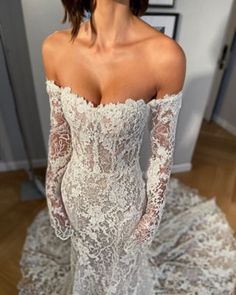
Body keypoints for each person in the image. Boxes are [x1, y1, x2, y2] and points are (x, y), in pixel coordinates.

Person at [41, 0, 186, 293]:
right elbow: (59, 134)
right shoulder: (55, 48)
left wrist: (151, 215)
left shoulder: (165, 56)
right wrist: (53, 193)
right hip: (76, 194)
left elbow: (162, 153)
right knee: (83, 267)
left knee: (119, 276)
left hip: (124, 203)